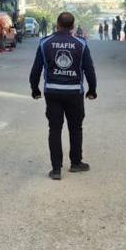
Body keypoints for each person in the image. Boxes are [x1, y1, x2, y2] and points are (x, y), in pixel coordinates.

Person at [29, 12, 97, 181]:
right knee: (75, 128)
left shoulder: (45, 43)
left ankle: (56, 169)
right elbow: (89, 69)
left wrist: (35, 89)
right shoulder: (81, 44)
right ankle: (76, 163)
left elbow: (36, 69)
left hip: (52, 92)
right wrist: (92, 90)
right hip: (74, 93)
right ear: (72, 26)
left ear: (57, 24)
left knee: (55, 129)